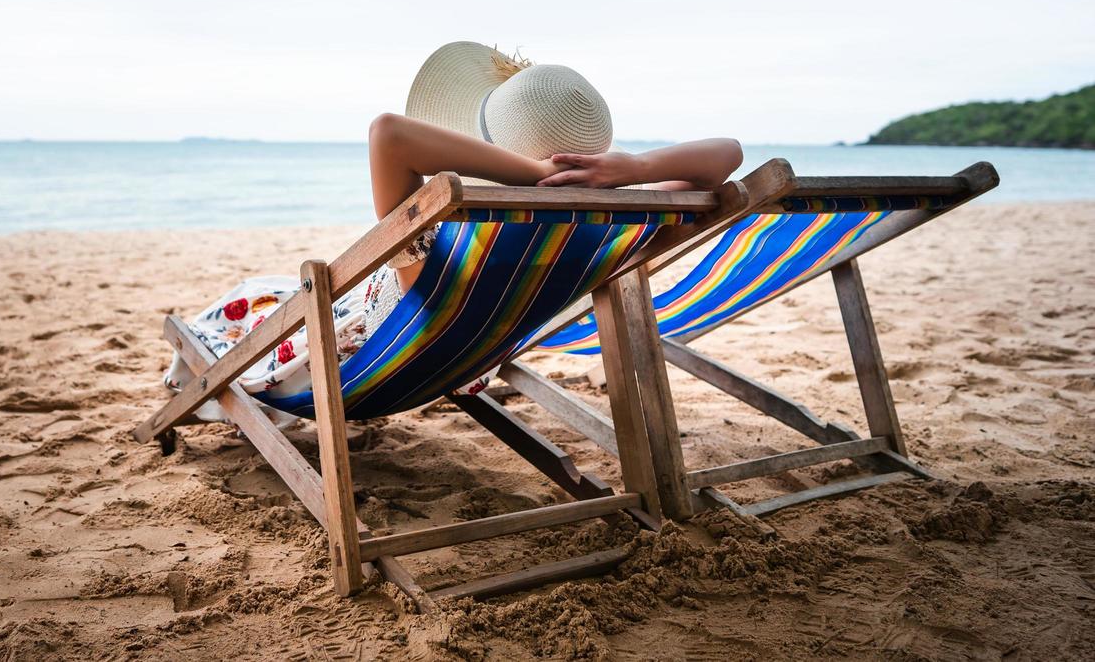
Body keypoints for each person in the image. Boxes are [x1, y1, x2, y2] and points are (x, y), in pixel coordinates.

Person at [162, 41, 742, 419]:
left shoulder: (437, 239)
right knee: (270, 290)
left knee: (257, 302)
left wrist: (536, 177)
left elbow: (388, 132)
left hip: (354, 361)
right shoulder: (619, 220)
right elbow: (728, 157)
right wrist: (634, 170)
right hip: (461, 352)